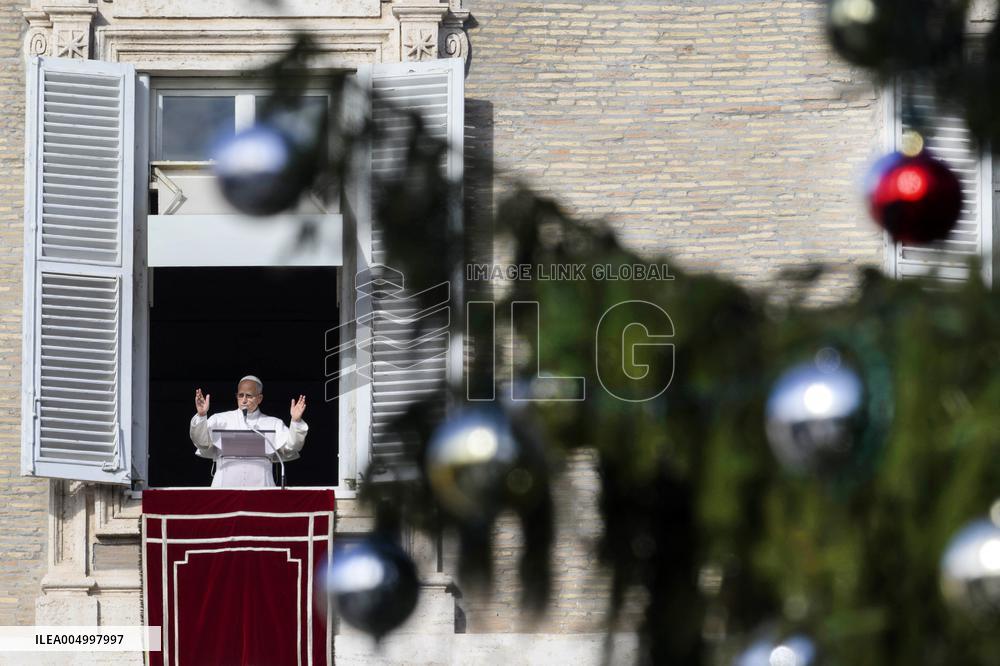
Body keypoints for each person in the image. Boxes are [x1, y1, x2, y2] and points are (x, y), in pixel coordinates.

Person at [190, 375, 308, 488]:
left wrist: (296, 421)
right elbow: (202, 443)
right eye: (240, 395)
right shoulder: (220, 419)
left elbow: (292, 448)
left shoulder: (273, 423)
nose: (244, 400)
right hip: (224, 485)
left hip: (262, 487)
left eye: (249, 396)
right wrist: (201, 416)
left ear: (259, 398)